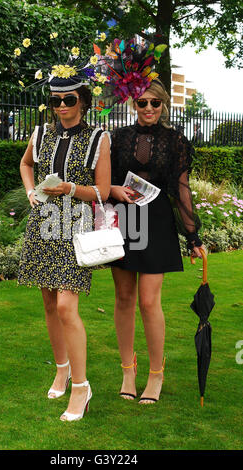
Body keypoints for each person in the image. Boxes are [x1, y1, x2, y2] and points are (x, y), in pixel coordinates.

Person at [102, 38, 206, 405]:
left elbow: (182, 190)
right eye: (142, 102)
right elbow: (105, 182)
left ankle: (156, 375)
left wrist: (193, 236)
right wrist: (113, 189)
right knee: (124, 297)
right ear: (134, 102)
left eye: (155, 103)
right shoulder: (118, 138)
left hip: (158, 224)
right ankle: (127, 371)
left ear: (164, 105)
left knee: (149, 301)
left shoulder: (176, 142)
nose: (148, 108)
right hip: (125, 221)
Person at [17, 45, 111, 421]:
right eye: (55, 100)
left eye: (68, 99)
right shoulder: (41, 133)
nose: (61, 106)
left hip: (74, 225)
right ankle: (61, 367)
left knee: (66, 306)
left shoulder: (98, 138)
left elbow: (102, 192)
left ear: (83, 101)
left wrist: (70, 188)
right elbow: (26, 164)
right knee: (48, 304)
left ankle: (82, 387)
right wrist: (30, 191)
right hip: (43, 224)